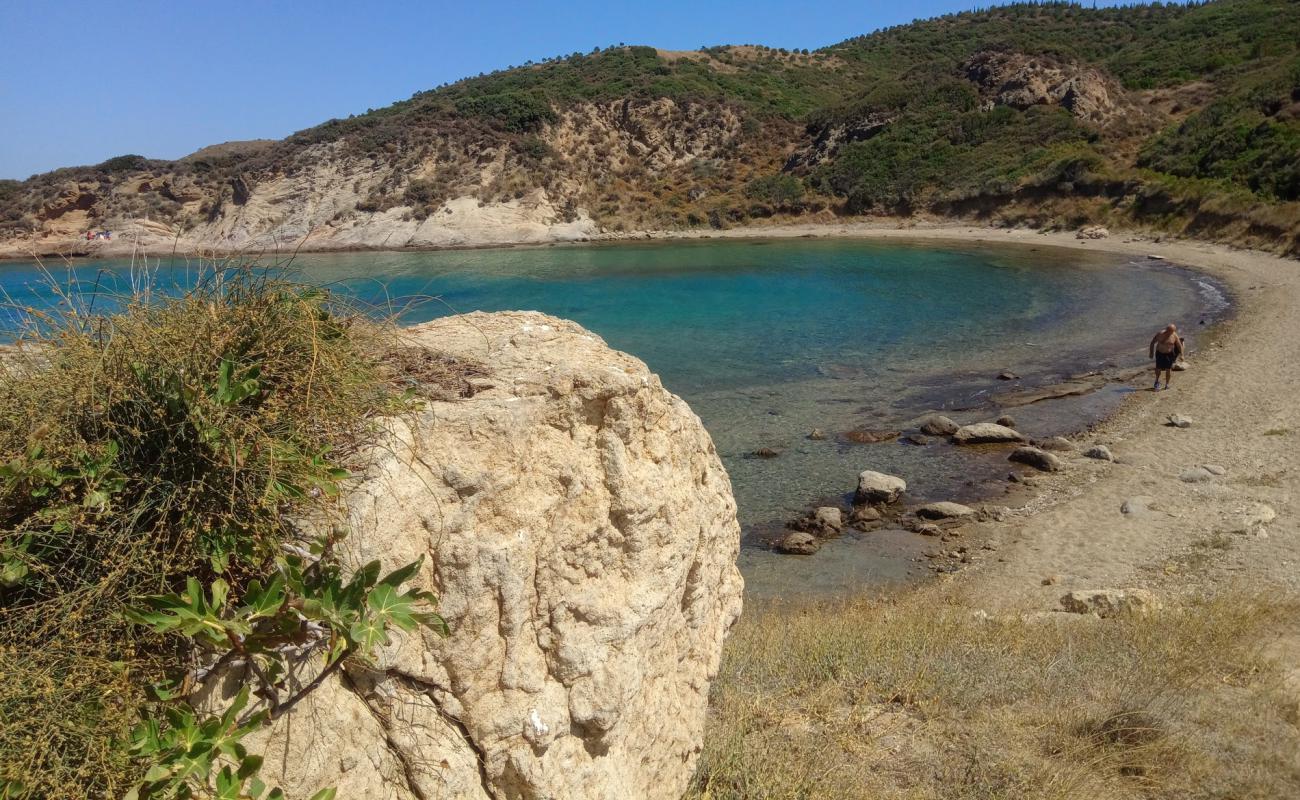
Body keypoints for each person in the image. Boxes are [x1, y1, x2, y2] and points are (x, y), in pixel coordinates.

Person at [1148, 323, 1183, 390]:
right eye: (1170, 331)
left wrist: (1182, 354)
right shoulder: (1160, 334)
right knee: (1158, 368)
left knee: (1168, 369)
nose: (1171, 333)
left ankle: (1167, 384)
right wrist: (1151, 353)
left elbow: (1179, 345)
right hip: (1160, 353)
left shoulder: (1174, 335)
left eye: (1173, 331)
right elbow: (1152, 342)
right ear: (1167, 329)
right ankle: (1157, 381)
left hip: (1169, 354)